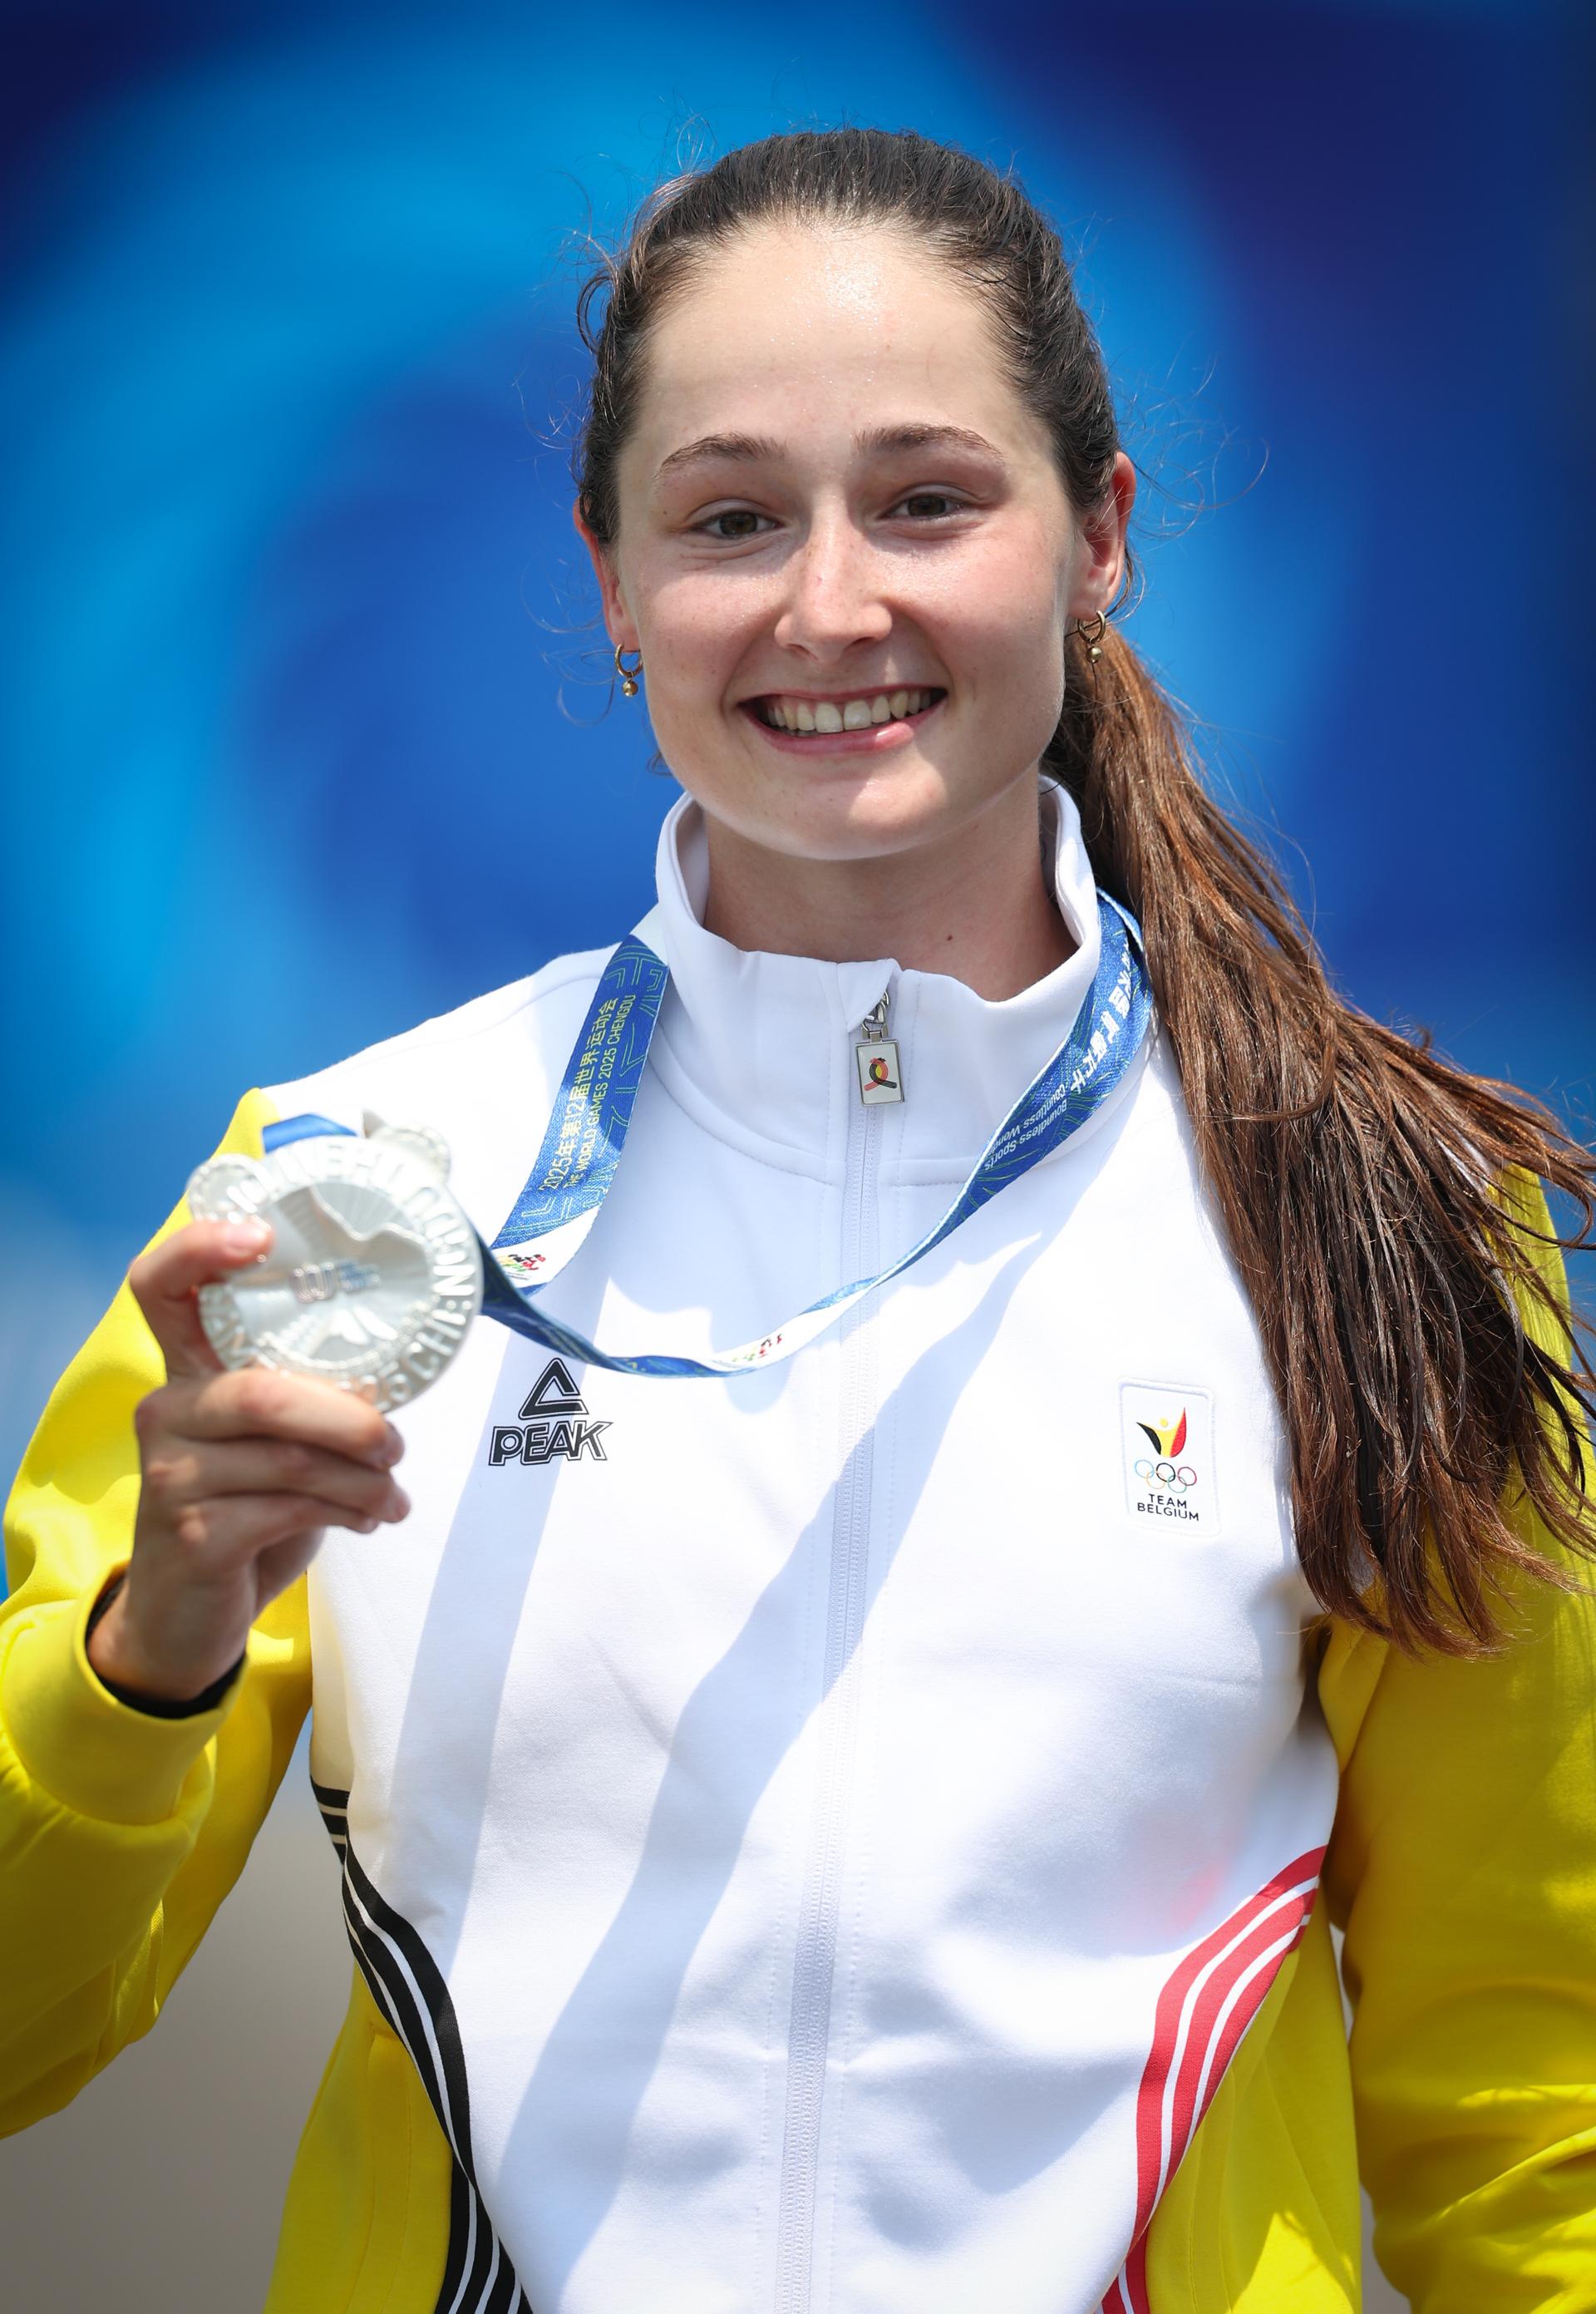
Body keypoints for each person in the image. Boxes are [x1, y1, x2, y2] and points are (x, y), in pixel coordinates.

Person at [2, 125, 1594, 2314]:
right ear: (607, 577)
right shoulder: (351, 1192)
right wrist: (143, 1648)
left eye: (928, 500)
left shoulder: (1381, 1220)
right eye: (733, 517)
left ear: (1098, 535)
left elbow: (1532, 2115)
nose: (829, 604)